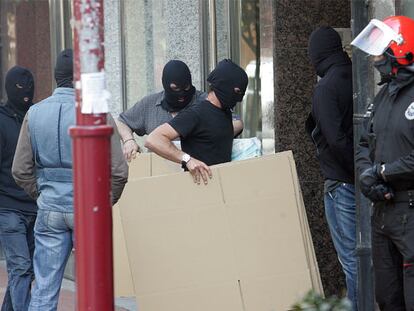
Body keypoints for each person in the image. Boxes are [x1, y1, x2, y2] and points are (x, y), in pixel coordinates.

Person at [12, 49, 128, 311]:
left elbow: (20, 169)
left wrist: (40, 193)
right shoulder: (96, 113)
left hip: (50, 205)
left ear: (56, 77)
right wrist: (103, 202)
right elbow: (119, 172)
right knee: (93, 289)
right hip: (87, 208)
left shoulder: (35, 113)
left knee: (44, 289)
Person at [352, 15, 414, 311]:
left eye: (381, 50)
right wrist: (368, 176)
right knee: (387, 298)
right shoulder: (383, 97)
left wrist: (384, 172)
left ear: (401, 50)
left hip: (410, 210)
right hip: (383, 211)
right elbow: (365, 142)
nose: (376, 58)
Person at [307, 26, 358, 310]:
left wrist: (353, 173)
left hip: (341, 181)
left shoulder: (326, 87)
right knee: (359, 256)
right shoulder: (355, 75)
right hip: (355, 176)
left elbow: (334, 138)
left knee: (350, 258)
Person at [145, 59, 248, 185]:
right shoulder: (196, 113)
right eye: (237, 91)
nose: (239, 99)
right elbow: (153, 139)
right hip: (198, 188)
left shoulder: (225, 112)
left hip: (220, 187)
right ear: (224, 85)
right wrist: (187, 159)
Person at [116, 59, 244, 161]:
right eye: (175, 89)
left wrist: (203, 137)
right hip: (161, 170)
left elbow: (236, 122)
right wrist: (128, 141)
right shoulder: (149, 104)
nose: (181, 94)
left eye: (186, 87)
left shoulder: (205, 103)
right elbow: (123, 122)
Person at [0, 66, 37, 310]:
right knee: (21, 268)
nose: (25, 95)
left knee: (28, 271)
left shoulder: (36, 115)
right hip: (8, 209)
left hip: (36, 206)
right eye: (20, 90)